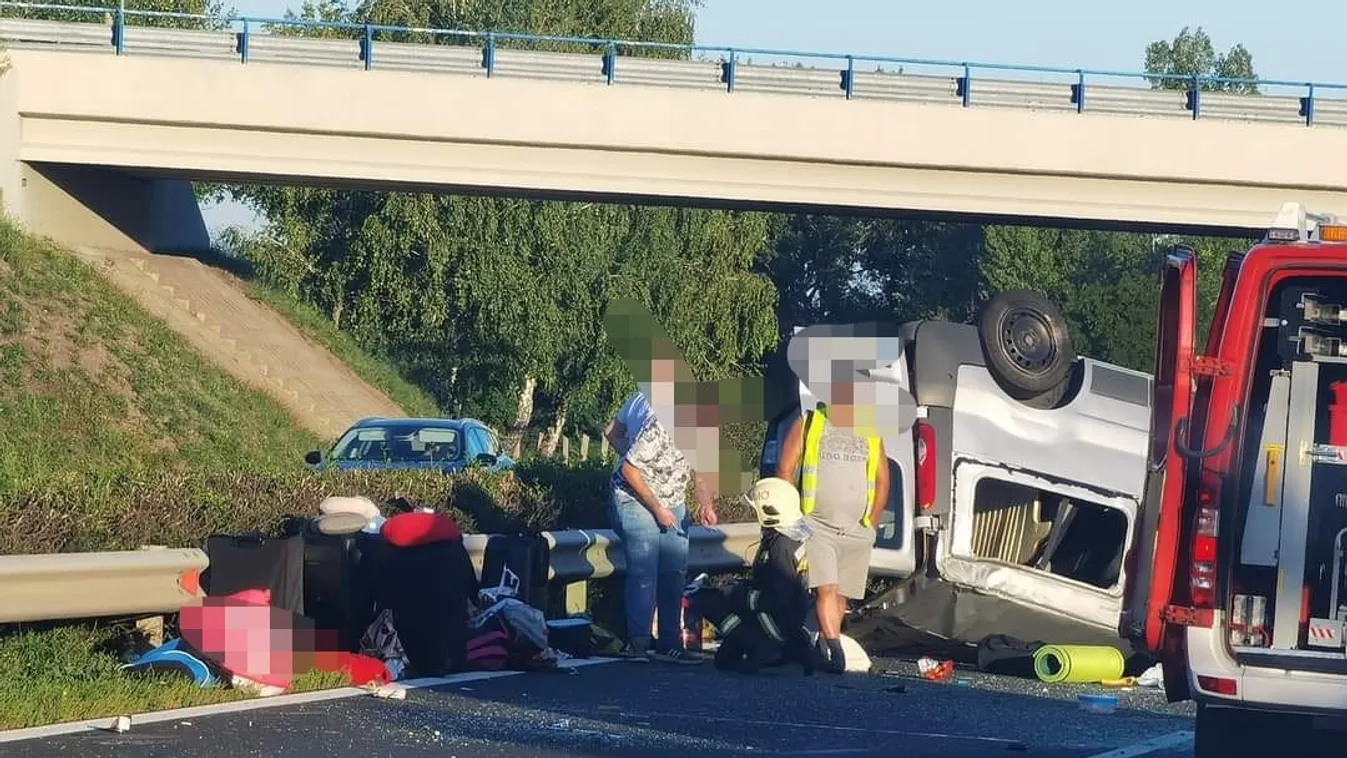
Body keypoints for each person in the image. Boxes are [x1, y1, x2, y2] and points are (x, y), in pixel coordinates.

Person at [775, 381, 889, 674]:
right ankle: (836, 653)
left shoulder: (870, 432)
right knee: (826, 588)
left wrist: (871, 522)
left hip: (856, 530)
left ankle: (822, 646)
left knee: (841, 595)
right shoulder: (810, 422)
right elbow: (785, 468)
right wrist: (792, 516)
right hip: (817, 525)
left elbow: (882, 480)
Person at [605, 384, 718, 665]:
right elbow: (628, 469)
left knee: (674, 570)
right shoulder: (660, 426)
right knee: (645, 569)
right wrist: (656, 509)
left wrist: (706, 505)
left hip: (672, 496)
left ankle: (670, 643)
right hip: (635, 495)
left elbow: (702, 474)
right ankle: (639, 644)